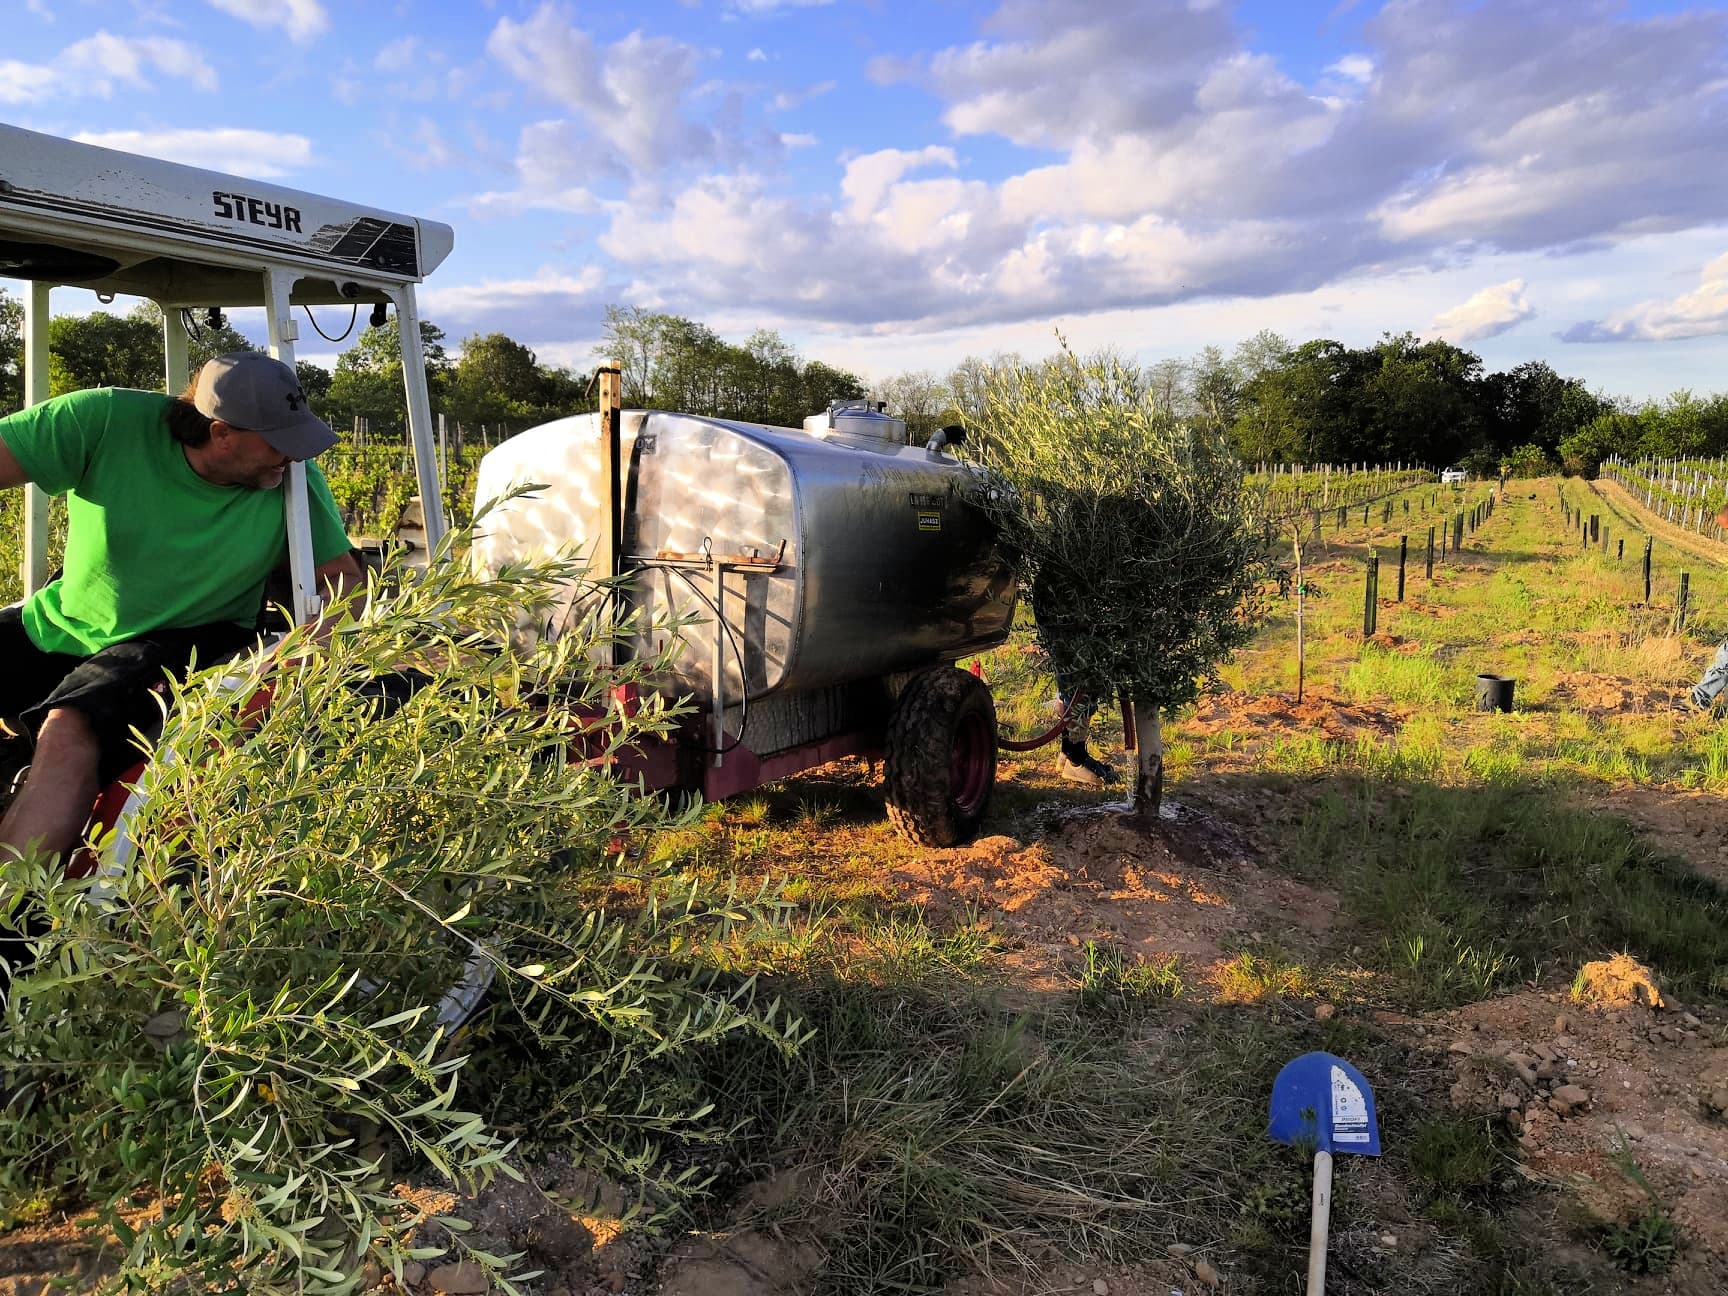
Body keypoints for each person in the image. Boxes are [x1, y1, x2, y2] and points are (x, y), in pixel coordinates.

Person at [0, 352, 361, 868]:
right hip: (60, 623)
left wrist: (321, 641)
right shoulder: (101, 421)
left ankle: (15, 919)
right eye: (277, 441)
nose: (290, 455)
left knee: (70, 730)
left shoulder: (294, 479)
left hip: (184, 640)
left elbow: (341, 577)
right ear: (221, 433)